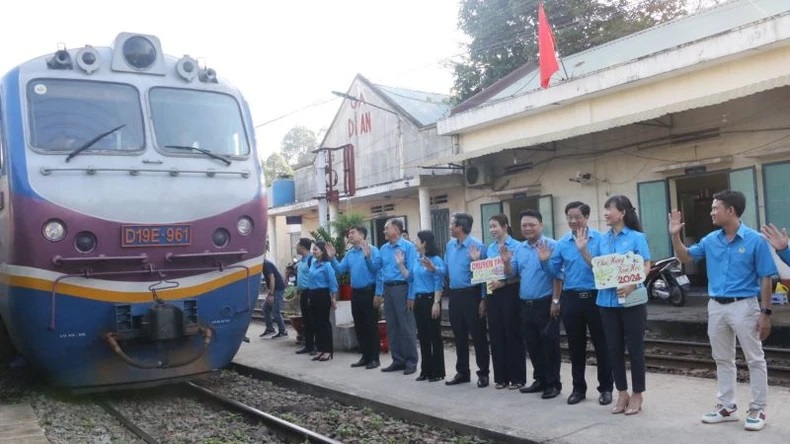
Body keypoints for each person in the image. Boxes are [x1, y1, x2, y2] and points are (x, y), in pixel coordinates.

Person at [670, 190, 776, 431]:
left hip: (744, 305)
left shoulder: (755, 240)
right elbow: (685, 257)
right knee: (722, 358)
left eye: (716, 208)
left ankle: (758, 408)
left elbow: (765, 278)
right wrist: (676, 237)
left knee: (755, 358)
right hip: (716, 305)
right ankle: (726, 406)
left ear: (731, 211)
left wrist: (765, 313)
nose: (711, 212)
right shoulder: (710, 240)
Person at [576, 195, 650, 416]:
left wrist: (633, 284)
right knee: (613, 350)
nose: (606, 213)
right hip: (606, 302)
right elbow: (597, 267)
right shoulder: (601, 239)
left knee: (635, 349)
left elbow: (646, 265)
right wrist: (583, 251)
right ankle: (622, 392)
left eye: (610, 209)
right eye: (605, 209)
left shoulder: (637, 237)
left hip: (631, 302)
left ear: (622, 213)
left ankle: (637, 393)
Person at [540, 202, 613, 406]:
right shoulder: (563, 243)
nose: (573, 221)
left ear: (587, 217)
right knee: (575, 346)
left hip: (596, 297)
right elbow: (554, 272)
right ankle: (578, 388)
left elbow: (604, 269)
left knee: (602, 345)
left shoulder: (600, 239)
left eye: (577, 217)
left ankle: (606, 389)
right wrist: (545, 262)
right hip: (571, 298)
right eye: (569, 217)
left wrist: (583, 250)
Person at [501, 209, 562, 400]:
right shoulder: (520, 248)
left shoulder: (552, 245)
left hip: (545, 302)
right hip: (525, 303)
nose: (527, 228)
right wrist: (506, 263)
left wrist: (555, 300)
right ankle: (540, 380)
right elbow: (512, 274)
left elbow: (558, 276)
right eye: (524, 225)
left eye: (532, 225)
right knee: (532, 344)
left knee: (549, 344)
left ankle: (553, 384)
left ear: (541, 226)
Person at [431, 212, 490, 388]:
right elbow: (447, 270)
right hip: (455, 295)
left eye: (452, 224)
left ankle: (483, 373)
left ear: (461, 226)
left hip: (472, 295)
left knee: (478, 336)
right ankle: (462, 372)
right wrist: (434, 268)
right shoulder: (450, 246)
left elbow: (486, 276)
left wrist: (483, 299)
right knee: (459, 336)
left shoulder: (477, 246)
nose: (450, 227)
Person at [474, 214, 525, 390]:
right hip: (492, 293)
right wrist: (484, 297)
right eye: (490, 227)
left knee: (513, 334)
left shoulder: (517, 246)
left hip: (510, 292)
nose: (492, 230)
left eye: (495, 226)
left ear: (505, 226)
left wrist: (504, 280)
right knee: (496, 335)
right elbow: (487, 275)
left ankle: (517, 378)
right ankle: (501, 378)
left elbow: (518, 275)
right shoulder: (490, 248)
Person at [327, 225, 381, 369]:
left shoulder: (373, 250)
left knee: (371, 326)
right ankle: (365, 356)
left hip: (370, 291)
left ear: (362, 235)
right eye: (349, 233)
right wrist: (332, 259)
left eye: (352, 233)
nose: (349, 235)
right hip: (355, 293)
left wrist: (378, 293)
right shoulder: (350, 254)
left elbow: (378, 272)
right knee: (360, 326)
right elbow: (339, 270)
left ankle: (374, 358)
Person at [372, 218, 419, 375]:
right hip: (388, 289)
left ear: (397, 230)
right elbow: (375, 268)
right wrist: (367, 256)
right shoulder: (384, 248)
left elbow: (413, 273)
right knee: (392, 326)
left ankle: (411, 361)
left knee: (406, 326)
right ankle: (397, 360)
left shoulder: (408, 247)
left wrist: (411, 295)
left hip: (402, 288)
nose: (384, 231)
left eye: (386, 228)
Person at [409, 230, 446, 382]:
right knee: (423, 336)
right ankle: (425, 370)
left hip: (431, 298)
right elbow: (410, 277)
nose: (414, 242)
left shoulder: (435, 259)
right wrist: (399, 265)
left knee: (434, 336)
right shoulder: (417, 258)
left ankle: (437, 371)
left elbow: (439, 281)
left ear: (424, 242)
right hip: (419, 299)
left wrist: (436, 303)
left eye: (417, 240)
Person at [308, 241, 339, 362]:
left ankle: (328, 350)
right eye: (313, 249)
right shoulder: (313, 263)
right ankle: (320, 349)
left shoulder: (327, 265)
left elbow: (333, 282)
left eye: (316, 249)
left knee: (324, 323)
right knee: (315, 323)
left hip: (323, 294)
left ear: (322, 251)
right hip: (313, 294)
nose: (313, 251)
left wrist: (333, 298)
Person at [294, 238, 316, 355]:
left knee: (312, 320)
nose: (296, 247)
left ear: (302, 247)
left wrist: (310, 294)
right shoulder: (301, 261)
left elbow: (313, 277)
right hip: (303, 292)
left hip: (310, 292)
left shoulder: (311, 260)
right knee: (306, 321)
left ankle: (315, 346)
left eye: (297, 245)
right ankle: (308, 345)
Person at [260, 258, 288, 338]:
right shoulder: (263, 263)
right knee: (265, 308)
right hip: (274, 289)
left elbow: (272, 278)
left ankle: (283, 331)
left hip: (278, 289)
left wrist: (271, 294)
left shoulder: (266, 264)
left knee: (276, 311)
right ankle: (270, 329)